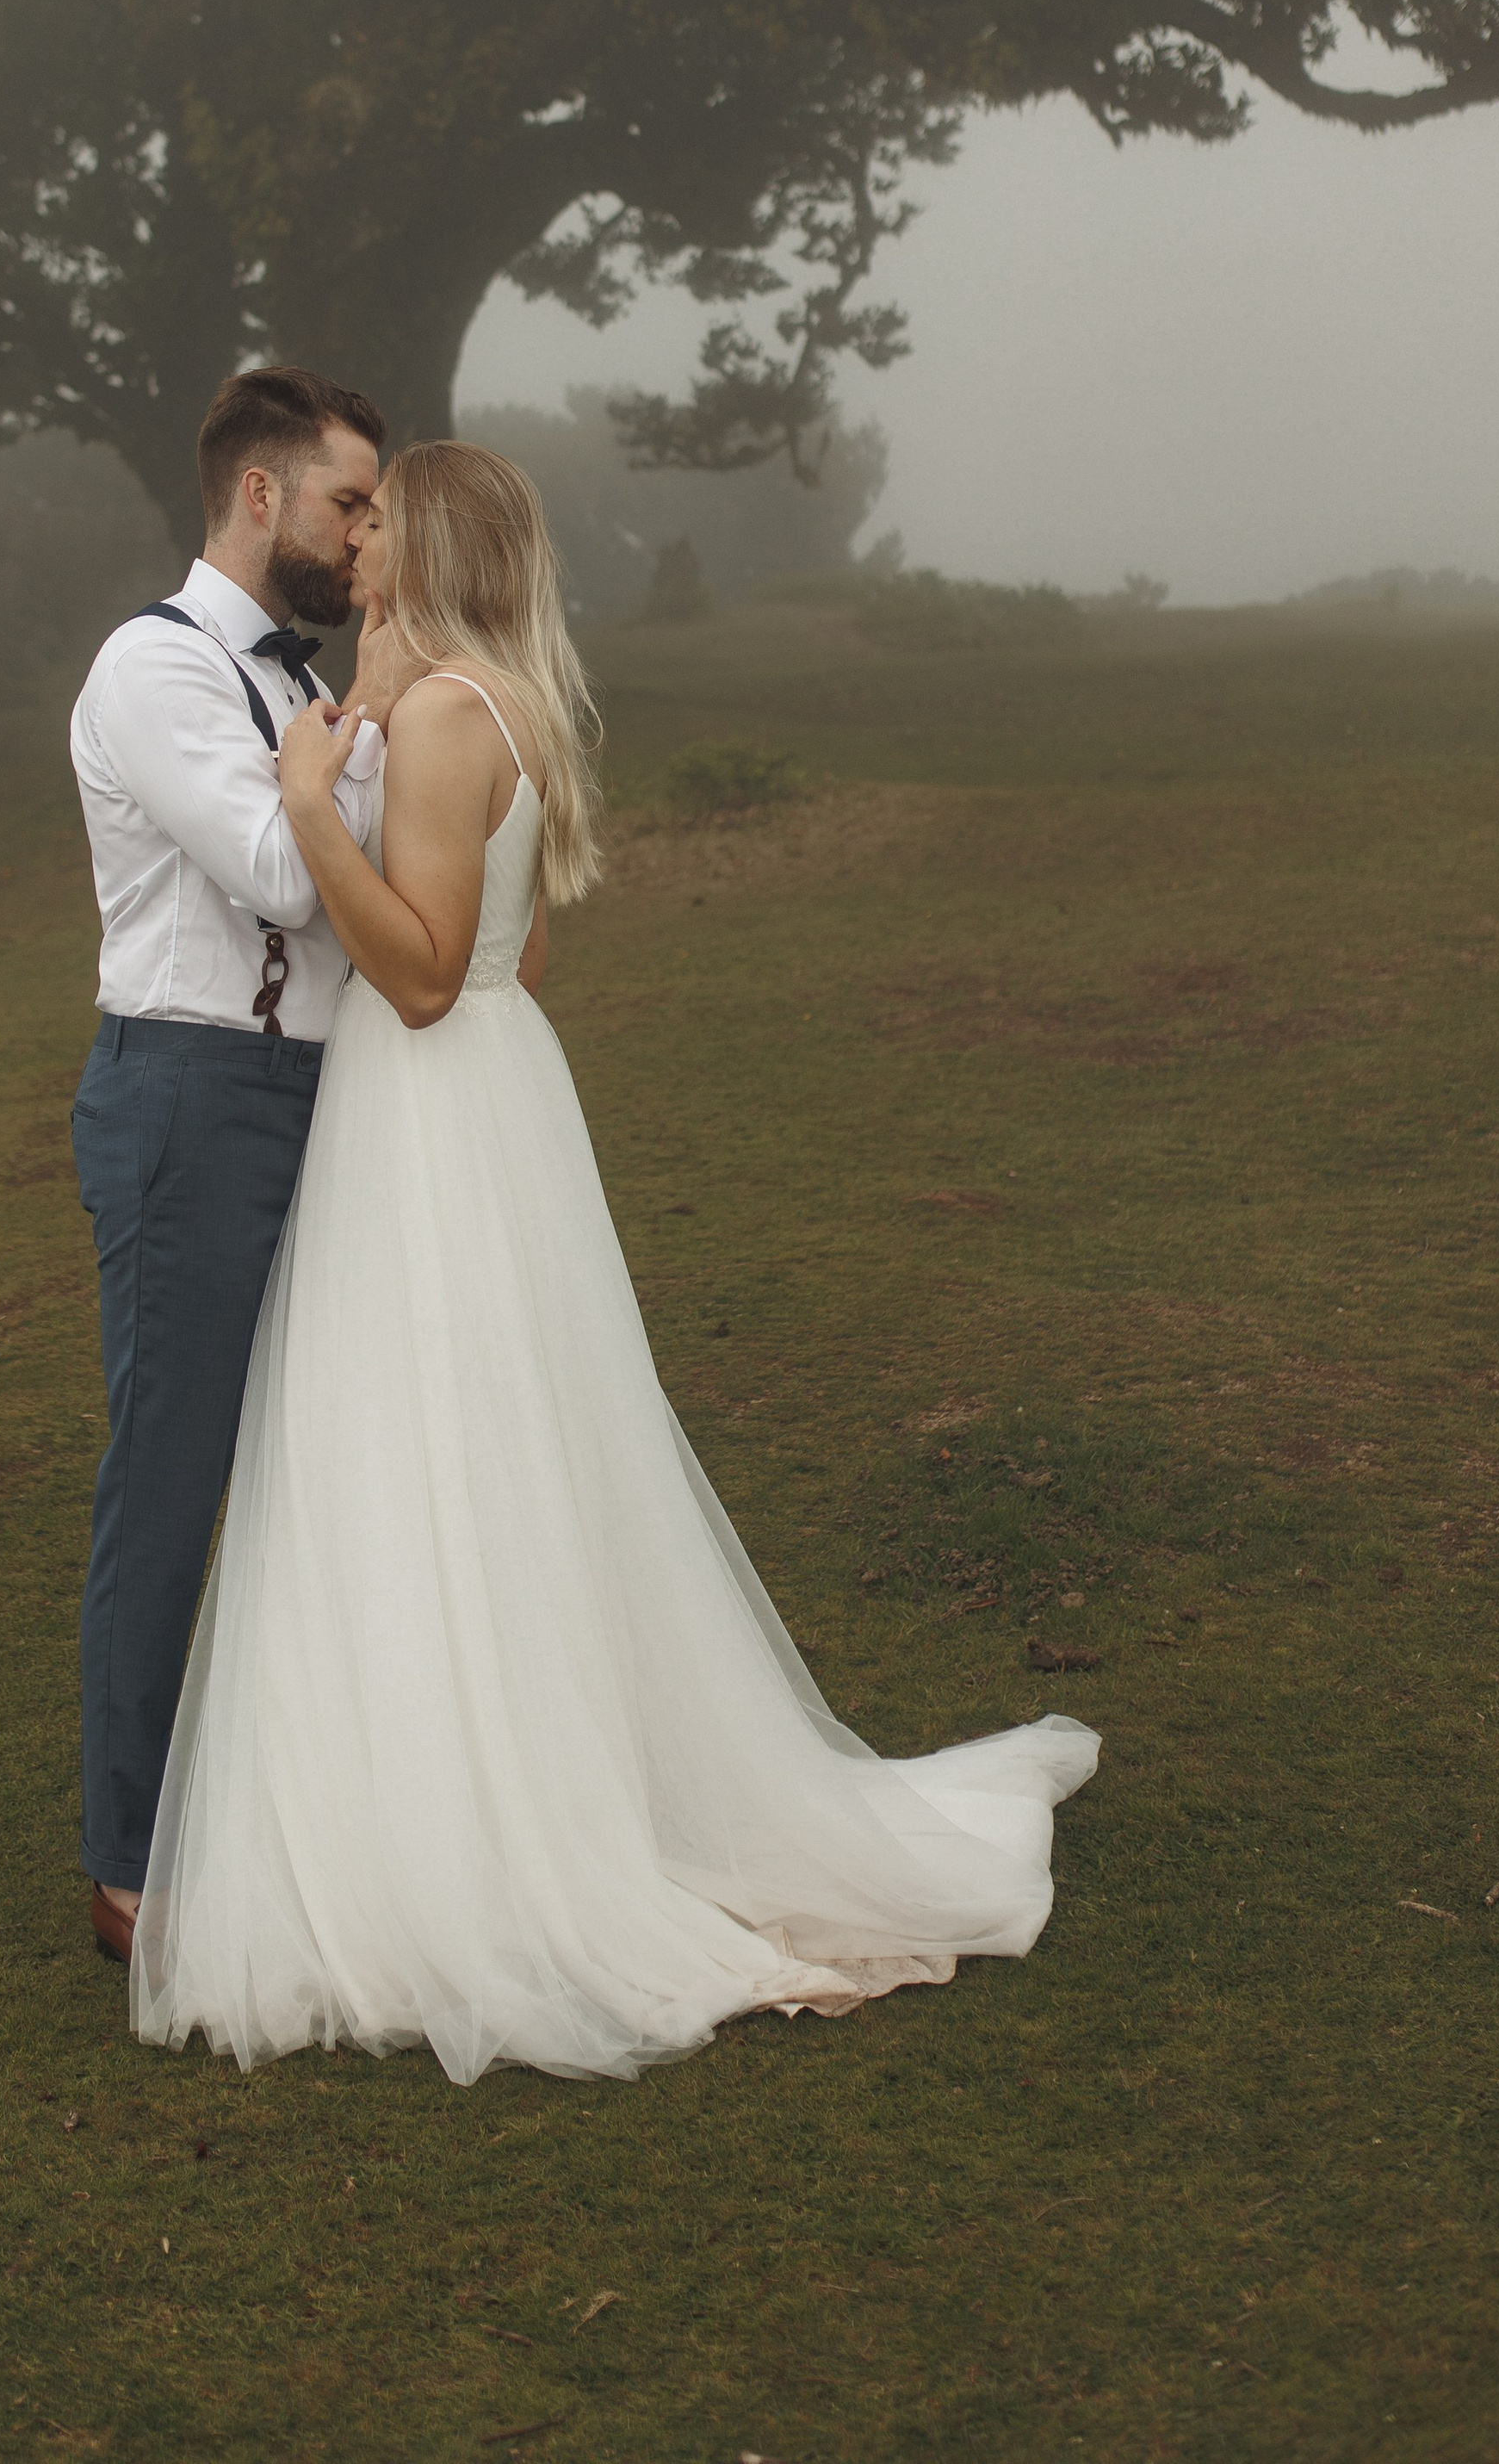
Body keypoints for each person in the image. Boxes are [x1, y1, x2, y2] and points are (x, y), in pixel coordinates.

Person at [130, 440, 1098, 2082]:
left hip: (429, 1098)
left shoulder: (441, 719)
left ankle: (472, 1837)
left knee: (420, 1445)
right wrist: (370, 726)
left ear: (428, 547)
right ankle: (487, 1776)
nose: (354, 548)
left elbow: (424, 979)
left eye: (379, 528)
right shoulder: (497, 702)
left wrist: (311, 807)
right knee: (486, 1452)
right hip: (496, 1096)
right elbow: (517, 946)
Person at [67, 365, 388, 1969]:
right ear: (261, 497)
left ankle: (299, 1811)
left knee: (322, 1465)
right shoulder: (157, 666)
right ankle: (131, 1868)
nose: (364, 535)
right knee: (176, 1470)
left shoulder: (306, 696)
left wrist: (360, 745)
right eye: (348, 502)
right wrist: (385, 716)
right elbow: (281, 869)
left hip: (320, 1093)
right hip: (190, 1098)